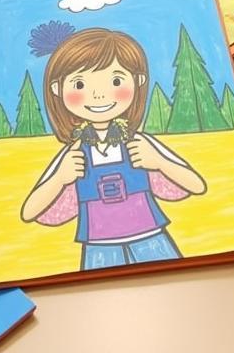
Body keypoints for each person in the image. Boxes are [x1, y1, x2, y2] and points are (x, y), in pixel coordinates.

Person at [20, 26, 206, 269]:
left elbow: (197, 184)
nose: (98, 95)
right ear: (57, 89)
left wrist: (160, 162)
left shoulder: (139, 142)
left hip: (150, 237)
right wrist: (60, 178)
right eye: (79, 84)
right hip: (99, 245)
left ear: (138, 81)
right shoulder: (75, 151)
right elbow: (29, 212)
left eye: (116, 80)